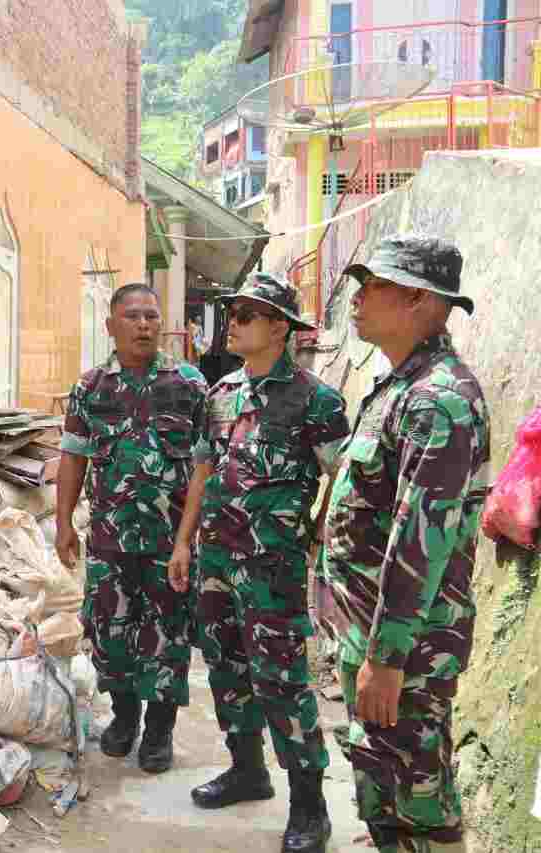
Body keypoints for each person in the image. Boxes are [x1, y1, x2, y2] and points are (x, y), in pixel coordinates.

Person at [168, 273, 349, 853]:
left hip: (273, 569)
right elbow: (202, 467)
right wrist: (183, 542)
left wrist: (318, 537)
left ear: (280, 327)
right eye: (234, 310)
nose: (236, 320)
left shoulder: (315, 400)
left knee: (282, 682)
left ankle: (309, 804)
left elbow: (341, 478)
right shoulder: (220, 394)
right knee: (226, 668)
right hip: (217, 559)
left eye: (249, 312)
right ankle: (248, 771)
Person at [323, 235, 489, 853]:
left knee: (418, 798)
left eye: (375, 286)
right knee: (382, 783)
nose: (358, 299)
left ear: (419, 298)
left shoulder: (437, 399)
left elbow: (420, 543)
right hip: (370, 634)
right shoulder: (399, 387)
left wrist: (387, 659)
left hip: (405, 650)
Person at [57, 282, 208, 774]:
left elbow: (206, 466)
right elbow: (73, 458)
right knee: (111, 630)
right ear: (111, 326)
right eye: (133, 316)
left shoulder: (189, 385)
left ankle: (160, 731)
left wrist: (189, 537)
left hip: (171, 544)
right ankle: (125, 719)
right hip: (110, 540)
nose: (144, 325)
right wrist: (63, 524)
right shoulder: (90, 388)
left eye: (151, 316)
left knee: (168, 633)